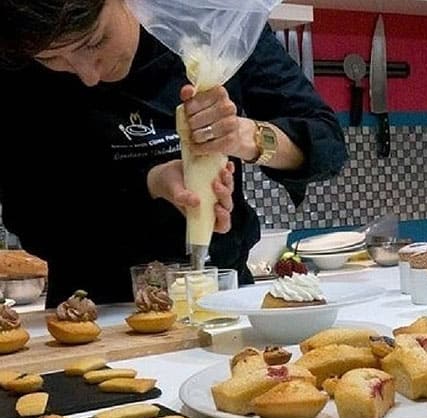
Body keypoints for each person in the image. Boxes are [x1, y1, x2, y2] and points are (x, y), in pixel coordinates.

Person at [0, 0, 347, 306]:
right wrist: (150, 183)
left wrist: (245, 136)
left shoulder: (214, 25)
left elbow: (327, 145)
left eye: (96, 41)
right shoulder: (17, 71)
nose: (87, 74)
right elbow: (28, 217)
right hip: (91, 313)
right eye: (52, 58)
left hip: (224, 298)